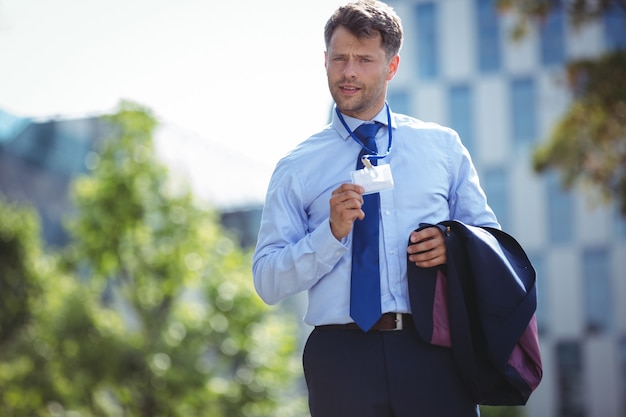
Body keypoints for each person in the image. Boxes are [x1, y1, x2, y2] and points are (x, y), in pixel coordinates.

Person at [252, 1, 500, 416]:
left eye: (364, 60)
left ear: (391, 66)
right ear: (325, 61)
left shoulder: (441, 147)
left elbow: (491, 242)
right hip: (340, 359)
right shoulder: (296, 166)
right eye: (339, 58)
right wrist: (329, 233)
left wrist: (453, 244)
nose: (349, 72)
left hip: (433, 351)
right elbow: (267, 281)